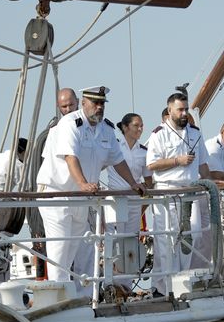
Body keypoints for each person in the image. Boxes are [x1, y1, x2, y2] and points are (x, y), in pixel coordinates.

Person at [37, 86, 145, 295]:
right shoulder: (70, 124)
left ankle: (84, 298)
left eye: (102, 103)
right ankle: (59, 299)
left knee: (80, 249)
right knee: (60, 249)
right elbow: (70, 157)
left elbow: (118, 160)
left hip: (81, 197)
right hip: (57, 194)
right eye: (95, 103)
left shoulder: (106, 129)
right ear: (83, 103)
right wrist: (83, 183)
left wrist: (133, 183)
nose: (99, 107)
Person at [146, 92, 210, 296]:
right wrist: (177, 161)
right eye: (180, 110)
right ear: (170, 110)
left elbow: (203, 164)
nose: (184, 113)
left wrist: (210, 185)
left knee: (190, 237)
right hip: (167, 193)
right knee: (166, 240)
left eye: (186, 109)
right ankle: (163, 288)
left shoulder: (195, 133)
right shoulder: (158, 134)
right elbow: (152, 164)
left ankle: (181, 281)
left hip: (190, 193)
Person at [106, 113, 153, 234]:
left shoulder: (144, 152)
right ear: (125, 127)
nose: (140, 129)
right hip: (115, 199)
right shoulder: (113, 147)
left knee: (132, 239)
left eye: (142, 126)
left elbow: (149, 181)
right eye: (136, 125)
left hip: (134, 201)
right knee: (115, 239)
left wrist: (144, 199)